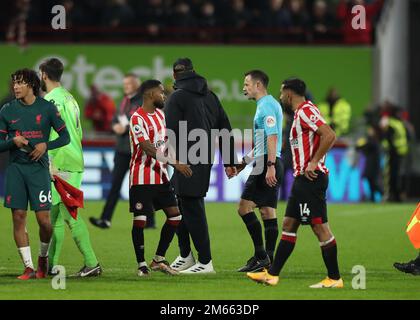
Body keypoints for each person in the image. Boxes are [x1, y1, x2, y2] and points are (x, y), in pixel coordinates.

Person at [247, 78, 343, 288]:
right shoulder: (301, 113)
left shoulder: (306, 111)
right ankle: (272, 275)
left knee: (320, 229)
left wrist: (314, 161)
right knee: (289, 224)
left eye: (282, 93)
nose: (280, 97)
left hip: (311, 179)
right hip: (302, 180)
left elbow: (329, 135)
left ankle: (334, 278)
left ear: (289, 93)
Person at [165, 58, 237, 274]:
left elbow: (169, 132)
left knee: (192, 207)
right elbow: (224, 126)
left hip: (185, 159)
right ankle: (186, 255)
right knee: (178, 204)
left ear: (175, 75)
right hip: (204, 156)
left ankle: (205, 262)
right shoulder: (210, 95)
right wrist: (230, 160)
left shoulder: (176, 97)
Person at [0, 68, 70, 280]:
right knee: (19, 217)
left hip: (38, 169)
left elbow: (65, 137)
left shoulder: (47, 108)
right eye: (14, 83)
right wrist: (13, 141)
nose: (15, 87)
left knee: (44, 221)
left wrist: (44, 146)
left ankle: (42, 257)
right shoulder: (7, 110)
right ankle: (28, 267)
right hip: (16, 170)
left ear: (31, 84)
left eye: (20, 83)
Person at [39, 58, 102, 277]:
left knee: (68, 214)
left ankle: (92, 262)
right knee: (54, 214)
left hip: (60, 161)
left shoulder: (50, 100)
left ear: (44, 74)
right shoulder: (70, 97)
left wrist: (50, 162)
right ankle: (51, 265)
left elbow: (51, 133)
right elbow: (78, 132)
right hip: (74, 158)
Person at [128, 79, 192, 276]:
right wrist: (176, 164)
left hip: (161, 176)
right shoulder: (137, 118)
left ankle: (158, 259)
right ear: (149, 94)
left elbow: (164, 144)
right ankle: (141, 264)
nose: (164, 96)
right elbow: (147, 147)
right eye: (161, 92)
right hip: (141, 178)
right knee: (140, 220)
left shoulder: (161, 116)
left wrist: (175, 159)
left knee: (175, 216)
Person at [233, 70, 284, 273]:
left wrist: (269, 166)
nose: (244, 88)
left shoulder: (267, 106)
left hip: (267, 163)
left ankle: (262, 257)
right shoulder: (267, 105)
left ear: (258, 85)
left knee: (244, 208)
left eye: (246, 84)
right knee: (267, 211)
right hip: (269, 160)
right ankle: (267, 258)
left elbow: (272, 137)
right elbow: (264, 141)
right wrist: (243, 163)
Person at [89, 73, 156, 229]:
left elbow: (141, 121)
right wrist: (115, 127)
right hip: (121, 150)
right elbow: (115, 119)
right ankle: (105, 219)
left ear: (136, 85)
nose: (126, 86)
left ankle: (150, 221)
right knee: (115, 185)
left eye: (129, 83)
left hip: (137, 150)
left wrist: (124, 128)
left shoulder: (142, 101)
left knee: (141, 186)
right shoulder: (124, 101)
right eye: (125, 83)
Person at [380, 104, 408, 202]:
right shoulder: (394, 123)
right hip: (394, 153)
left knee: (396, 175)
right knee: (392, 174)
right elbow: (387, 138)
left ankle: (396, 195)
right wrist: (390, 148)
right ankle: (393, 195)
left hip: (399, 152)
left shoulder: (396, 123)